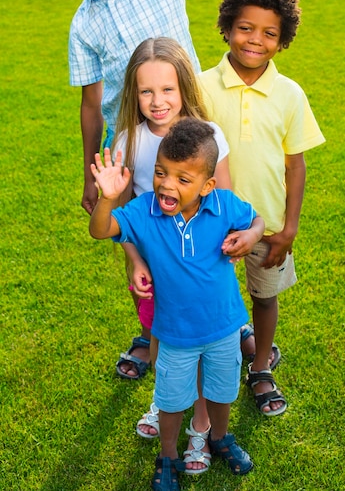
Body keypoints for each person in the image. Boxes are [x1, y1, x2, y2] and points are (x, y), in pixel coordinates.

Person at [67, 0, 345, 216]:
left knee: (206, 226)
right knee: (142, 238)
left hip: (186, 130)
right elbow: (91, 105)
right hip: (130, 143)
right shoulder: (81, 25)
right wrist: (88, 176)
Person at [89, 118, 265, 491]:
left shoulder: (223, 204)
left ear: (207, 185)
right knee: (170, 401)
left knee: (221, 393)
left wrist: (250, 235)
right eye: (160, 173)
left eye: (183, 180)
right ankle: (167, 454)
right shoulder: (143, 210)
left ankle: (219, 437)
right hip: (173, 334)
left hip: (224, 328)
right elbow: (101, 230)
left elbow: (257, 220)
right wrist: (107, 198)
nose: (167, 185)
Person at [198, 0, 326, 417]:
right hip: (208, 222)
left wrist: (289, 227)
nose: (255, 40)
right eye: (245, 28)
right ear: (227, 27)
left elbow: (296, 163)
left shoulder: (289, 94)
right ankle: (213, 360)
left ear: (283, 39)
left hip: (268, 225)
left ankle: (260, 365)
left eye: (269, 33)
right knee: (209, 295)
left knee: (265, 296)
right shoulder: (200, 85)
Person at [109, 36, 233, 472]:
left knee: (201, 344)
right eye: (146, 91)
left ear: (184, 88)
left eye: (167, 90)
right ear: (133, 93)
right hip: (155, 267)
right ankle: (165, 406)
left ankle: (200, 426)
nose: (157, 101)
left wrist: (229, 246)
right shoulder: (129, 140)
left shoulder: (209, 136)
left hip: (200, 267)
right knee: (163, 341)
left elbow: (226, 201)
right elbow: (122, 215)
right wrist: (136, 259)